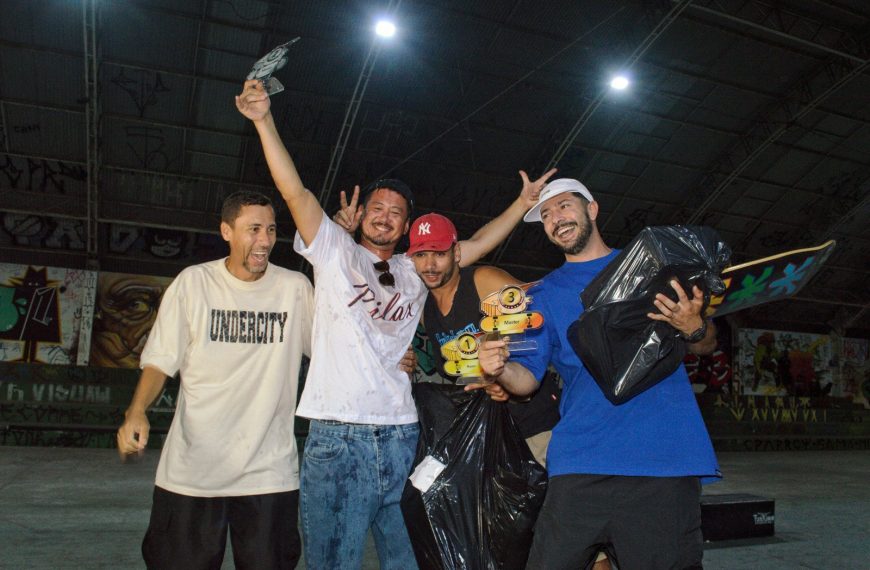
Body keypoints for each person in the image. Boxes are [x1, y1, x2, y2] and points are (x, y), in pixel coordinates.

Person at [235, 79, 544, 570]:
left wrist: (523, 204)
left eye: (396, 214)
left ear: (405, 229)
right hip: (340, 436)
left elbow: (479, 244)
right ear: (361, 219)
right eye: (376, 208)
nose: (384, 217)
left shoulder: (413, 269)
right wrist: (264, 121)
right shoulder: (336, 251)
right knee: (333, 560)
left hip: (403, 436)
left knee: (409, 560)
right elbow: (293, 192)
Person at [478, 178, 720, 570]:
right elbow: (527, 383)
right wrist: (501, 367)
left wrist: (692, 325)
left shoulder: (652, 265)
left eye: (565, 206)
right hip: (581, 462)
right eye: (547, 214)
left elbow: (707, 341)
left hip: (663, 459)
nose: (556, 218)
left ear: (592, 209)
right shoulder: (540, 296)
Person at [116, 190, 314, 569]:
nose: (265, 240)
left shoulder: (294, 289)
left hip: (268, 474)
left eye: (271, 230)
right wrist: (136, 411)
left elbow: (333, 352)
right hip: (193, 472)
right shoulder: (194, 284)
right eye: (253, 229)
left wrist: (393, 356)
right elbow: (159, 361)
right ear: (226, 231)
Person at [403, 211, 561, 465]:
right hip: (489, 439)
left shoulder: (481, 281)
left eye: (439, 254)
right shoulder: (426, 312)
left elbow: (542, 308)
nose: (429, 266)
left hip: (535, 428)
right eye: (421, 255)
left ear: (456, 254)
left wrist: (509, 372)